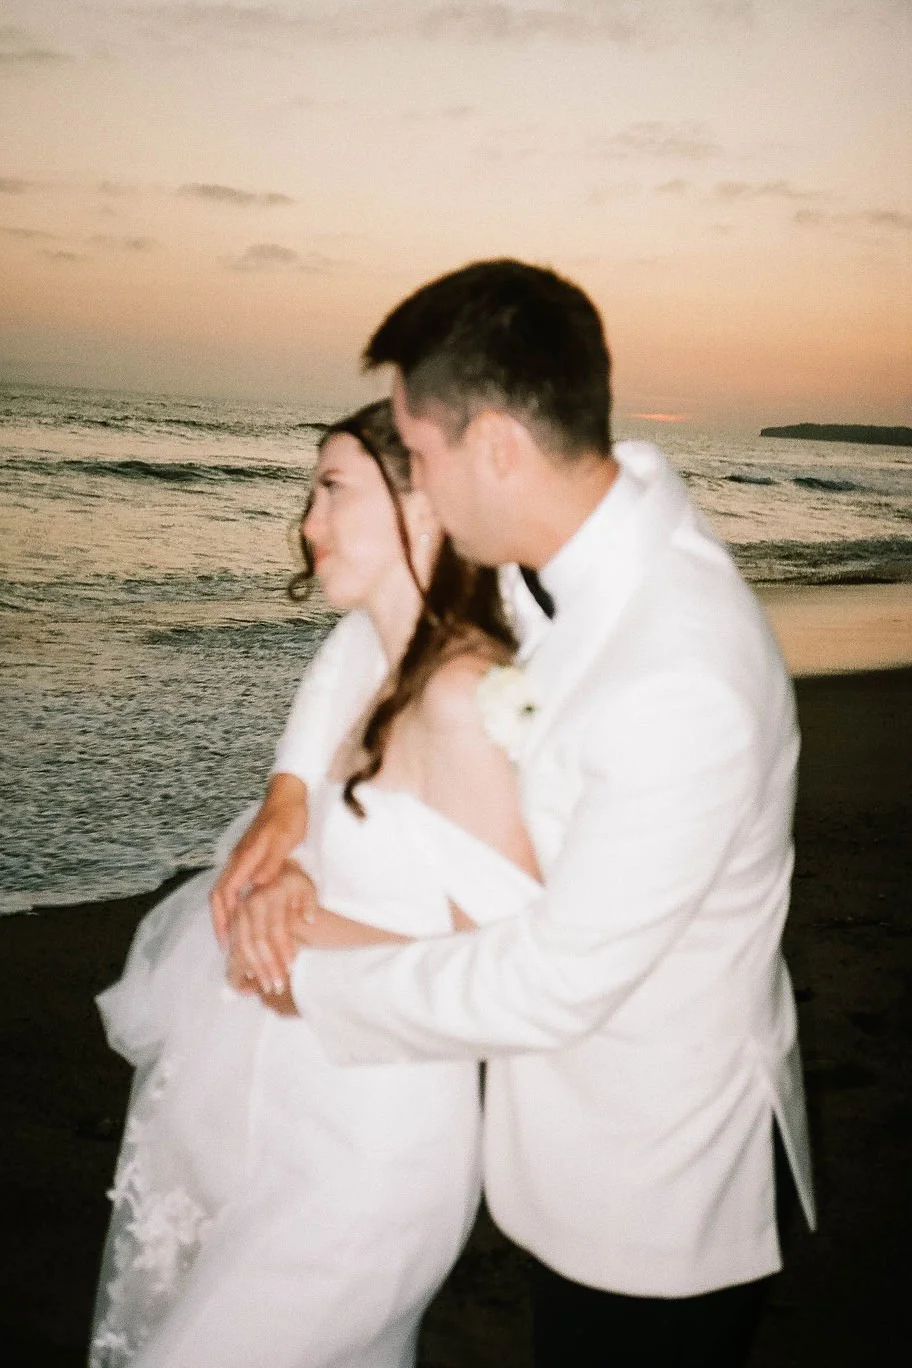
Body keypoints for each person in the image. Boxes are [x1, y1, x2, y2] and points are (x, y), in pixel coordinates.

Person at [213, 260, 816, 1368]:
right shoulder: (581, 546)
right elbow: (373, 637)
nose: (421, 493)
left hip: (650, 1193)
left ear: (495, 446)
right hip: (564, 1151)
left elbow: (552, 983)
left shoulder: (678, 675)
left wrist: (296, 967)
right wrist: (293, 795)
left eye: (425, 457)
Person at [88, 399, 543, 1368]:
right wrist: (288, 848)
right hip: (288, 1123)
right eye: (310, 492)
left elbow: (523, 971)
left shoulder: (465, 698)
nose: (307, 520)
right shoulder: (367, 658)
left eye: (334, 488)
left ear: (425, 503)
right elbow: (340, 806)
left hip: (372, 1157)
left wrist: (305, 920)